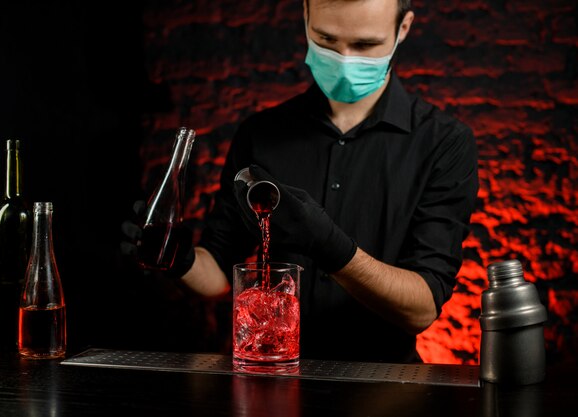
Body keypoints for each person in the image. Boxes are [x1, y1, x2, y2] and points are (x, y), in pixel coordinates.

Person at [123, 0, 479, 363]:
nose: (343, 59)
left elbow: (421, 310)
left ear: (402, 28)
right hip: (269, 373)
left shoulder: (444, 143)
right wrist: (179, 261)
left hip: (384, 384)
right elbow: (218, 274)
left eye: (365, 46)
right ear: (306, 15)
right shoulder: (260, 134)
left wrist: (329, 246)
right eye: (326, 40)